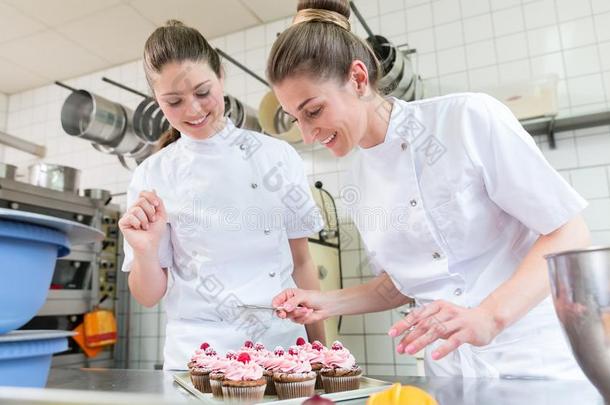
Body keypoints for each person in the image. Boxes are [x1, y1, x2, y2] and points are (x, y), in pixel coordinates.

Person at [266, 0, 591, 379]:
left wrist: (490, 316)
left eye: (314, 111)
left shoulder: (466, 119)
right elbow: (401, 286)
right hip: (450, 371)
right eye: (295, 119)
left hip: (534, 359)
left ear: (357, 79)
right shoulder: (355, 180)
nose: (306, 134)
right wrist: (324, 302)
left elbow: (569, 232)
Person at [118, 20, 325, 370]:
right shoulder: (152, 175)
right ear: (157, 101)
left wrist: (319, 349)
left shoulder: (277, 156)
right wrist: (145, 251)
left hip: (281, 349)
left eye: (202, 92)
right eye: (174, 101)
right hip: (198, 356)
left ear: (221, 76)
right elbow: (148, 295)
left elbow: (302, 263)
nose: (193, 110)